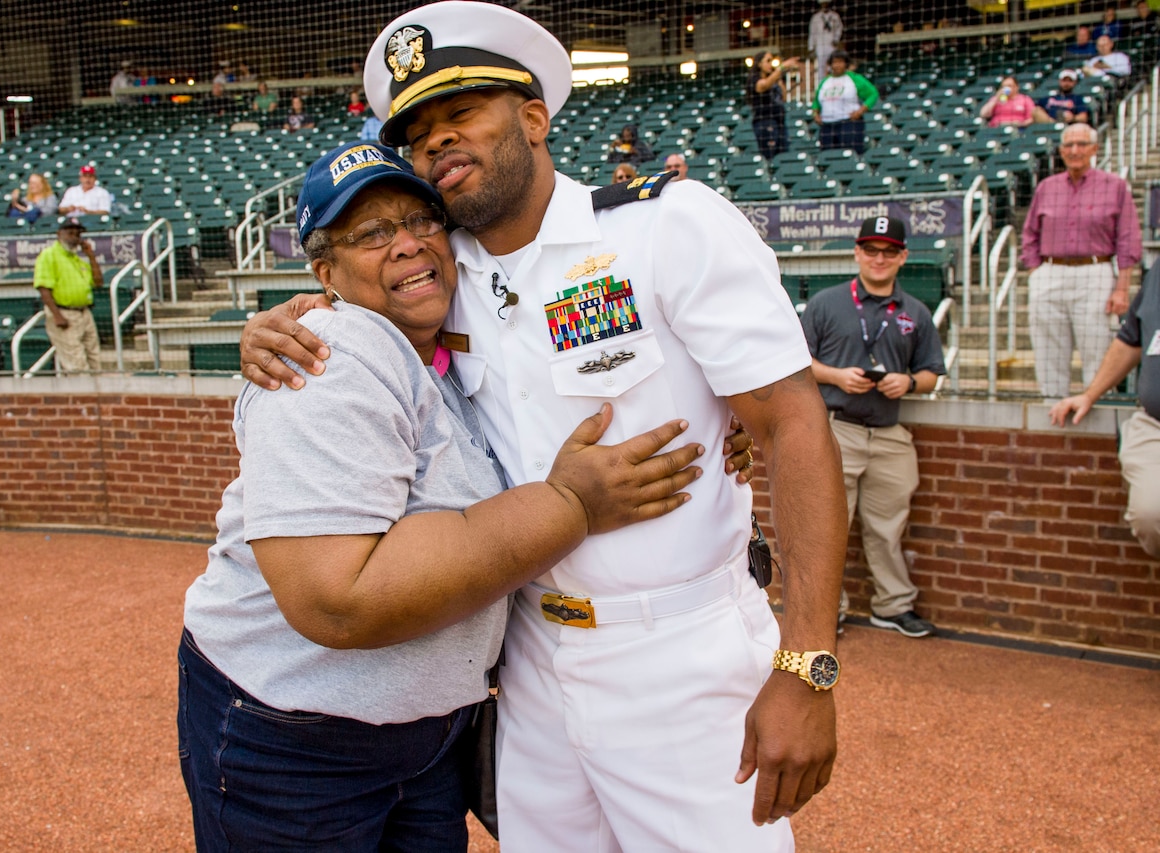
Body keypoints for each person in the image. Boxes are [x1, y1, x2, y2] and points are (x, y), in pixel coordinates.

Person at [241, 3, 847, 849]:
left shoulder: (662, 225)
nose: (439, 145)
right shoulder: (443, 273)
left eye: (462, 116)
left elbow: (790, 425)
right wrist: (277, 320)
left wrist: (806, 662)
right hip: (528, 661)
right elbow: (356, 296)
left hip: (678, 651)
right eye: (419, 137)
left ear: (532, 118)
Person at [180, 141, 709, 851]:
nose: (405, 244)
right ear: (325, 273)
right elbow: (338, 596)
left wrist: (721, 428)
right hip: (294, 739)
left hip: (426, 736)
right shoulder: (329, 354)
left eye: (421, 221)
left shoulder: (456, 340)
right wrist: (572, 504)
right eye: (369, 234)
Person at [801, 217, 946, 639]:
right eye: (871, 250)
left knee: (888, 527)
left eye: (889, 251)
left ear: (902, 256)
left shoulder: (915, 311)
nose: (879, 258)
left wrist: (911, 382)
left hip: (889, 433)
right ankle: (828, 611)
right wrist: (834, 376)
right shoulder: (827, 302)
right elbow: (798, 363)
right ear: (857, 253)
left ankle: (893, 606)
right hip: (837, 427)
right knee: (828, 526)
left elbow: (933, 372)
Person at [1022, 124, 1141, 399]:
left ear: (1094, 149)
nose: (1075, 150)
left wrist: (1122, 288)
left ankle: (1096, 406)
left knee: (1096, 345)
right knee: (1048, 348)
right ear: (1061, 151)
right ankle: (1051, 407)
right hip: (1050, 271)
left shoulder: (1115, 186)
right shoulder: (1046, 187)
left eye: (1082, 144)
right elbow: (1029, 234)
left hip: (1095, 270)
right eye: (1069, 145)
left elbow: (1127, 238)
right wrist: (1035, 272)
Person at [1049, 267, 1160, 558]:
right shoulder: (1158, 272)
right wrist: (1090, 393)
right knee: (1150, 514)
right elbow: (1130, 340)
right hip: (1155, 427)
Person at [33, 217, 103, 372]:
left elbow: (98, 282)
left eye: (78, 234)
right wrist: (56, 315)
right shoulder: (49, 255)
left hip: (84, 312)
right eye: (70, 233)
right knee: (76, 364)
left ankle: (98, 394)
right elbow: (43, 288)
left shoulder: (78, 260)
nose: (75, 237)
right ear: (60, 234)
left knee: (95, 359)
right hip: (64, 312)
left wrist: (91, 255)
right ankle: (82, 395)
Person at [812, 50, 877, 154]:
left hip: (848, 124)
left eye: (840, 62)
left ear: (846, 64)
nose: (837, 65)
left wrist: (860, 111)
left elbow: (873, 94)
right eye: (834, 62)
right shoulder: (825, 81)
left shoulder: (854, 79)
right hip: (827, 126)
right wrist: (815, 114)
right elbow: (816, 102)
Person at [748, 51, 798, 160]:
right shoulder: (754, 79)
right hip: (765, 121)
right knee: (770, 156)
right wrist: (781, 67)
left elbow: (783, 98)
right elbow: (764, 86)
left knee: (784, 155)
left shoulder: (774, 78)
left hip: (779, 121)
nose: (771, 64)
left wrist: (778, 78)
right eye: (768, 61)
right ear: (759, 64)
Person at [809, 0, 844, 73]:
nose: (825, 6)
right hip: (820, 45)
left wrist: (836, 39)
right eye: (823, 4)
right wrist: (811, 47)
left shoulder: (835, 16)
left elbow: (839, 28)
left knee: (833, 64)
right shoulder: (816, 17)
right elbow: (812, 33)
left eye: (826, 4)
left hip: (831, 44)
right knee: (821, 66)